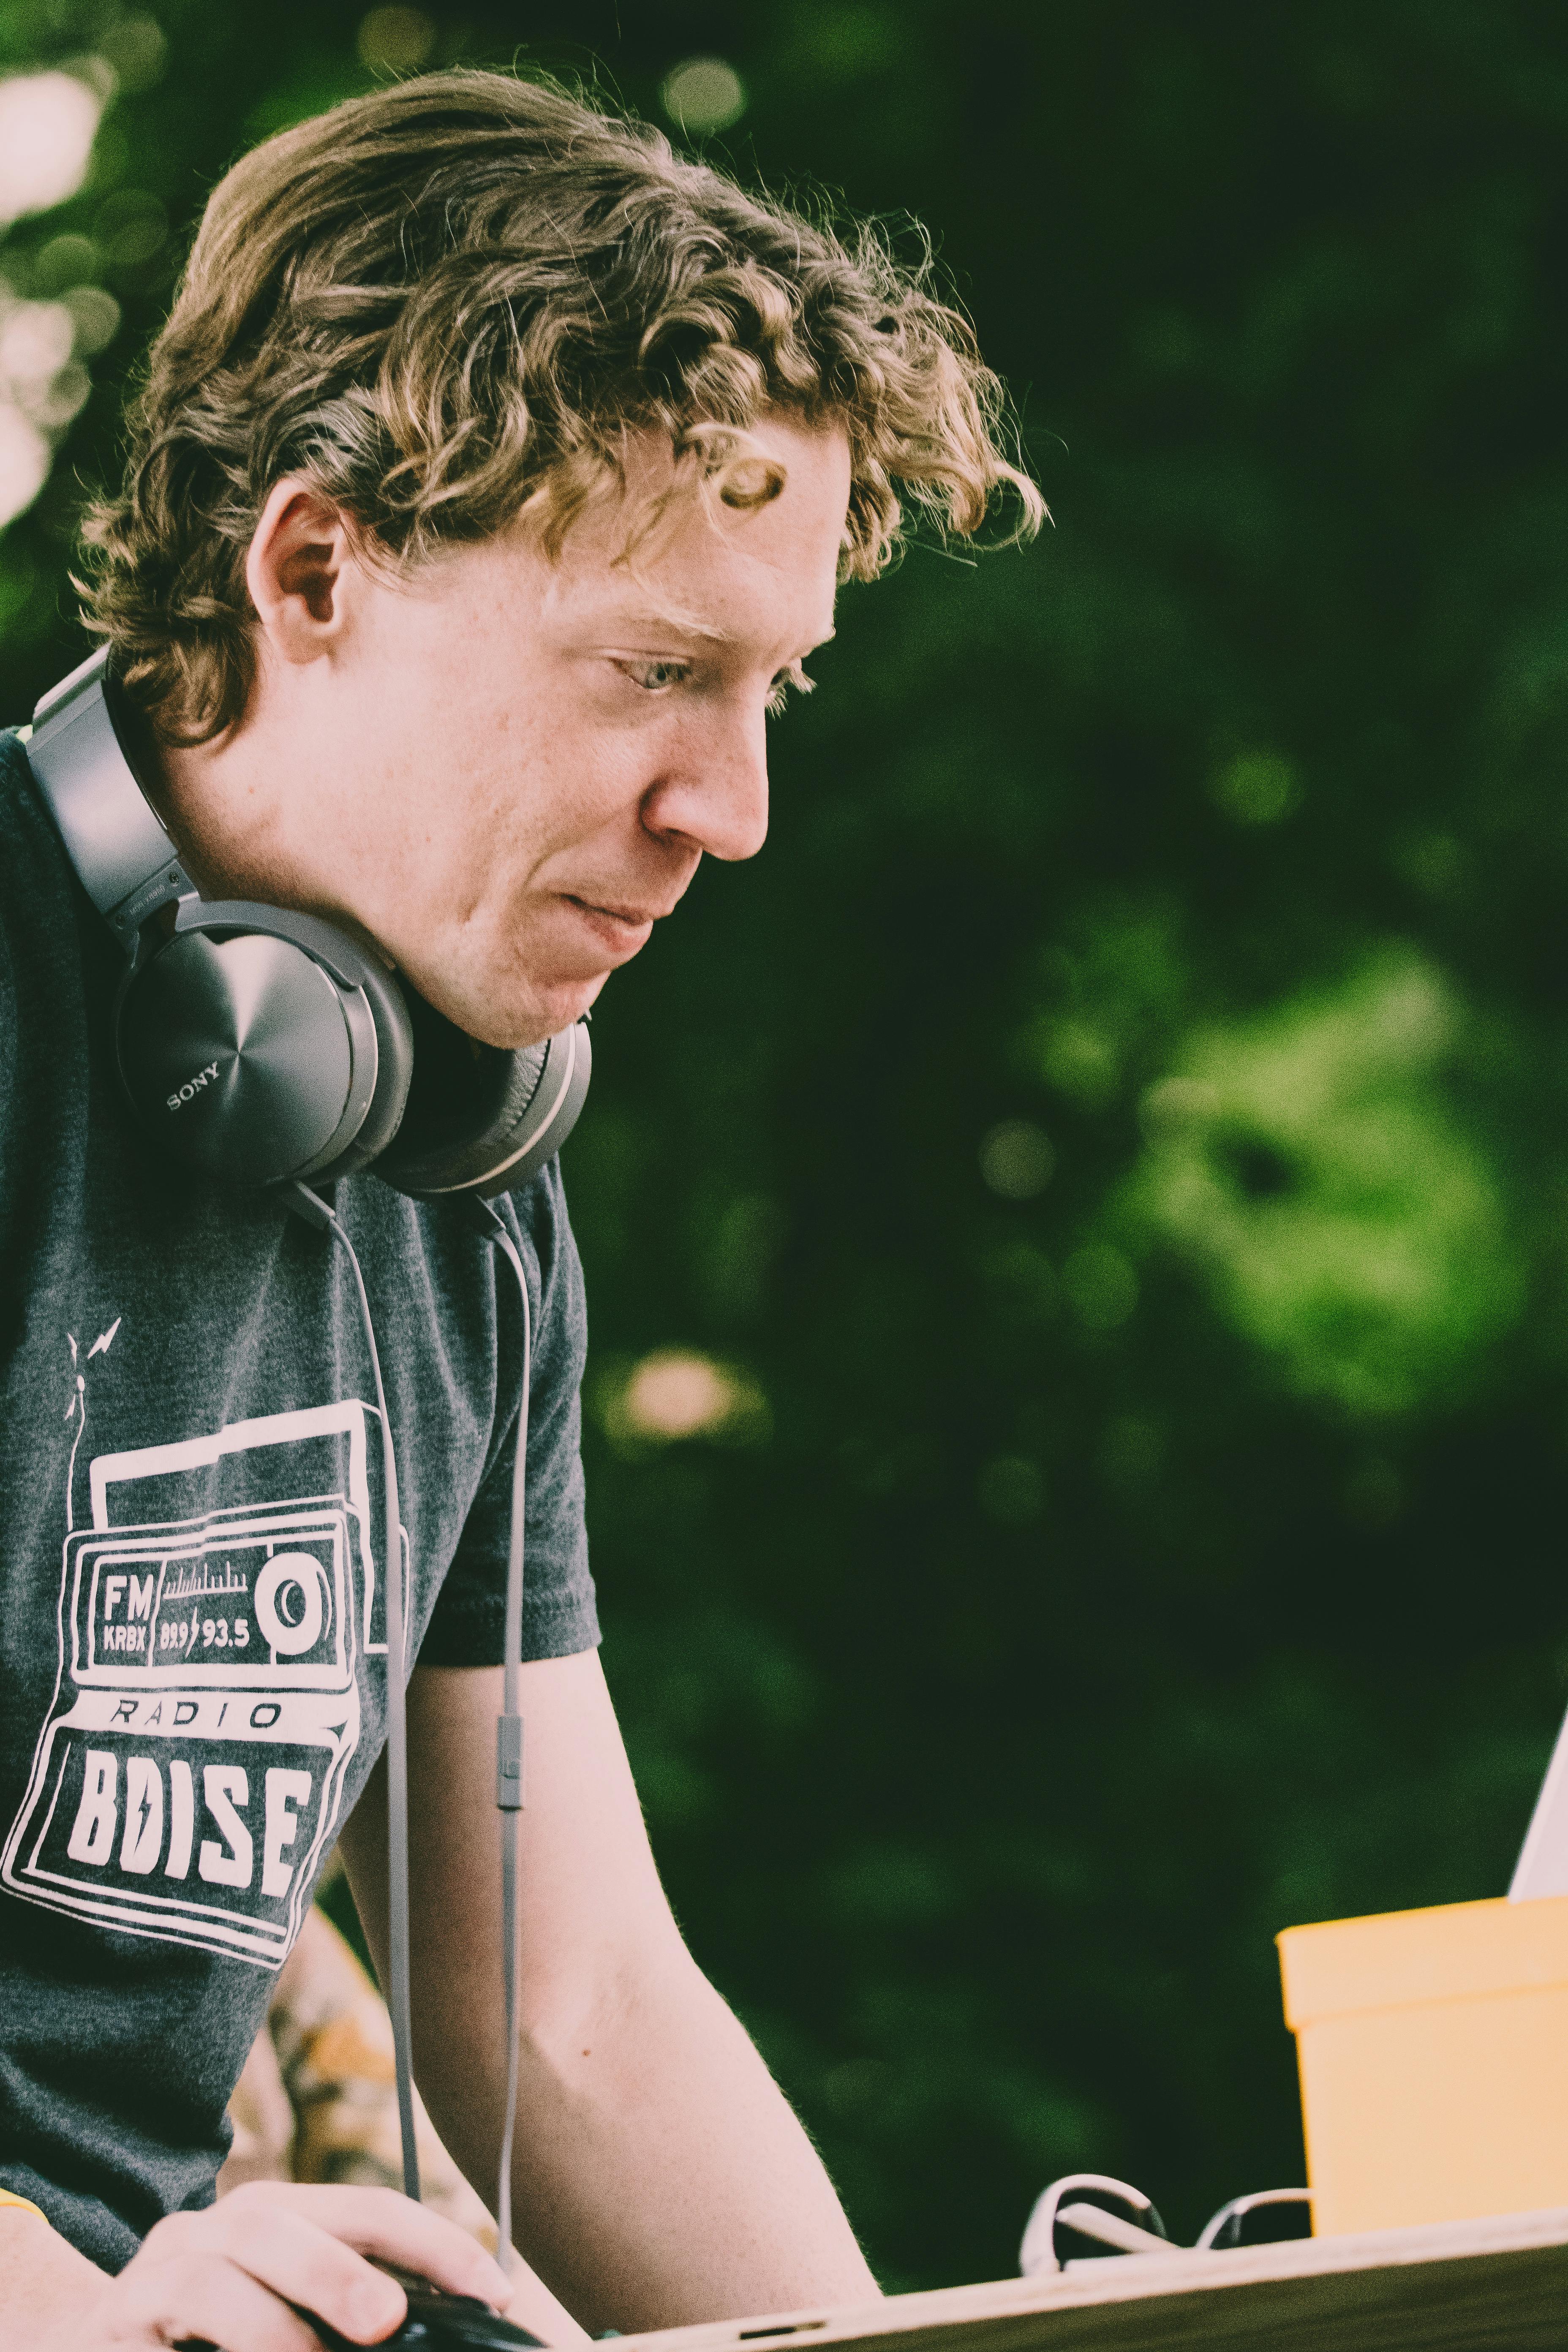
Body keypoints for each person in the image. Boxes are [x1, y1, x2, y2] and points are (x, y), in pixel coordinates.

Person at [0, 65, 1040, 2352]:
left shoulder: (451, 1153)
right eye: (656, 673)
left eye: (773, 692)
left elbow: (568, 2016)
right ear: (312, 571)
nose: (730, 808)